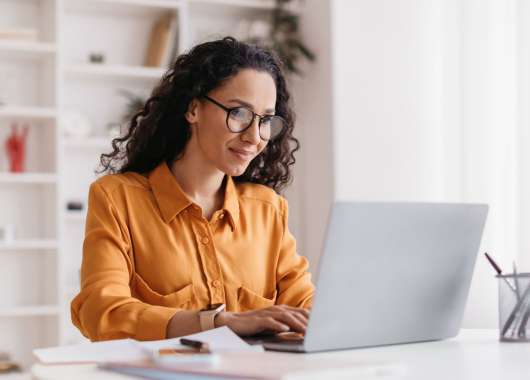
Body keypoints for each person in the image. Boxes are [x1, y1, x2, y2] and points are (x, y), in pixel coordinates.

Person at [71, 37, 314, 342]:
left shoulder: (267, 208)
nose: (255, 136)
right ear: (193, 109)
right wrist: (218, 323)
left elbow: (305, 308)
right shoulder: (118, 198)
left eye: (265, 119)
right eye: (239, 113)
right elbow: (101, 312)